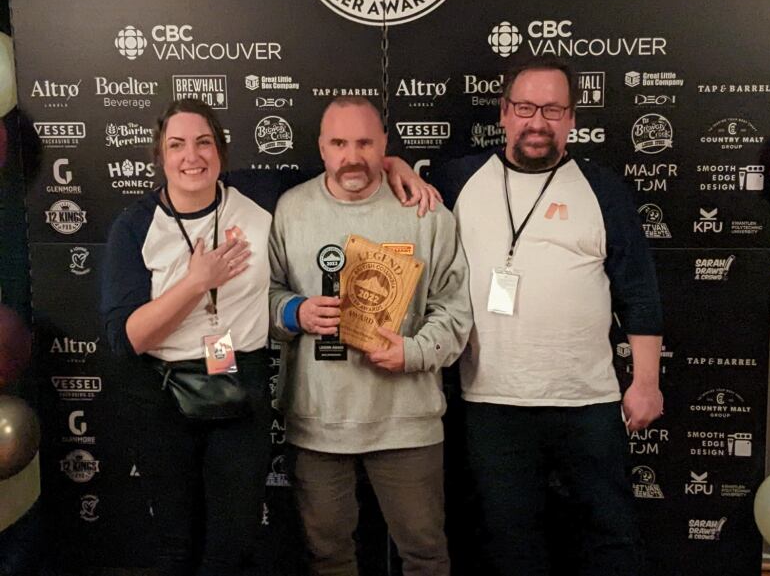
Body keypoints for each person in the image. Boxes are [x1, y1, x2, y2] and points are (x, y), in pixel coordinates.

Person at [101, 97, 439, 576]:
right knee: (176, 543)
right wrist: (198, 281)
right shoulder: (135, 225)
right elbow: (125, 337)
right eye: (176, 145)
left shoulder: (261, 193)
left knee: (232, 540)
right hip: (162, 395)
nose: (191, 156)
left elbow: (344, 165)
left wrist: (392, 162)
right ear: (160, 155)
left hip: (241, 387)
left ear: (220, 149)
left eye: (203, 142)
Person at [431, 56, 664, 576]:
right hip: (492, 402)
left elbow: (639, 293)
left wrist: (646, 382)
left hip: (589, 403)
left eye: (553, 110)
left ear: (572, 119)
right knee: (508, 545)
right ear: (504, 112)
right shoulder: (457, 182)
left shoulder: (603, 191)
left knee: (611, 540)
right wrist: (398, 167)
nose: (538, 122)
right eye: (526, 107)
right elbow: (394, 194)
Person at [268, 96, 472, 576]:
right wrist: (294, 312)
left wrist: (416, 351)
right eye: (339, 143)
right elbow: (261, 294)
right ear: (321, 148)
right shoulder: (291, 209)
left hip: (406, 420)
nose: (351, 156)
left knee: (424, 557)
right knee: (327, 558)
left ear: (384, 145)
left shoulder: (426, 212)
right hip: (318, 421)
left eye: (364, 142)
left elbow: (455, 309)